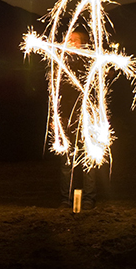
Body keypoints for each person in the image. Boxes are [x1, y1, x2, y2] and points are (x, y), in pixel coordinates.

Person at [58, 31, 98, 210]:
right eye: (68, 39)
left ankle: (89, 199)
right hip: (67, 119)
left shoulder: (89, 63)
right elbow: (56, 92)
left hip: (87, 119)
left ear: (83, 44)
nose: (70, 42)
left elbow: (97, 92)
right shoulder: (60, 63)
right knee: (67, 162)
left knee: (88, 161)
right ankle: (66, 199)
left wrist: (97, 117)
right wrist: (57, 117)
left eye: (74, 40)